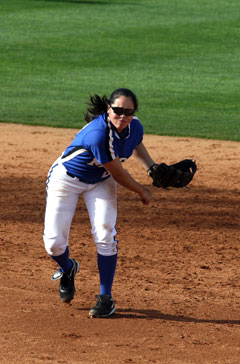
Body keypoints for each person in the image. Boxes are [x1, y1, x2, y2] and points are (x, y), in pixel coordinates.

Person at [43, 88, 156, 318]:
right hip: (67, 180)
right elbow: (119, 175)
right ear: (108, 109)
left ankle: (106, 298)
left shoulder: (134, 125)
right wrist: (142, 191)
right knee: (54, 243)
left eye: (129, 111)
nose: (123, 116)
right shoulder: (98, 134)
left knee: (105, 234)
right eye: (118, 110)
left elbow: (136, 143)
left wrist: (152, 167)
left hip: (100, 182)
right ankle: (68, 268)